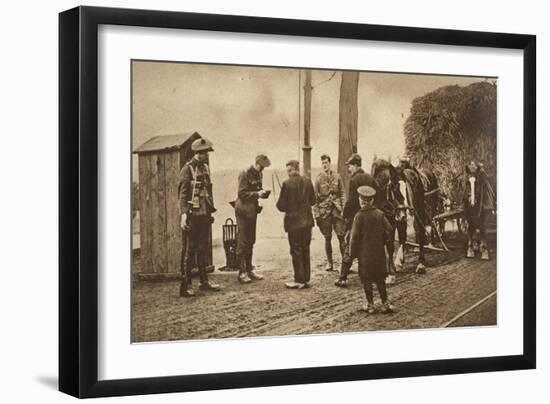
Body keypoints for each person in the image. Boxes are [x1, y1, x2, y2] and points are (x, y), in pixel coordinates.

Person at [178, 137, 221, 297]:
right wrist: (183, 215)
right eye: (204, 153)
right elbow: (182, 195)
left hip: (204, 214)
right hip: (191, 215)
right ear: (198, 153)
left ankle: (204, 282)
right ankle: (186, 285)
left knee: (203, 249)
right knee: (189, 250)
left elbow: (209, 191)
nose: (206, 155)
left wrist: (210, 211)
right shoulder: (187, 169)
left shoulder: (205, 168)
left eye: (207, 153)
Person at [335, 153, 381, 288]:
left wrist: (344, 214)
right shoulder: (371, 179)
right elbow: (378, 198)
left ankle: (342, 278)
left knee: (350, 246)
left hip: (356, 220)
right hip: (370, 219)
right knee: (368, 248)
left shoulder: (354, 180)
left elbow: (351, 201)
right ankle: (370, 278)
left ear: (355, 166)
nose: (348, 169)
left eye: (349, 166)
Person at [349, 186, 394, 314]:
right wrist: (383, 241)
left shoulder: (358, 216)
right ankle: (385, 303)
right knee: (380, 279)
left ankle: (370, 305)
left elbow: (354, 238)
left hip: (365, 255)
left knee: (367, 279)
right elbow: (390, 230)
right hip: (379, 253)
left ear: (361, 200)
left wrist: (352, 254)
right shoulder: (380, 214)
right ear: (372, 200)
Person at [276, 160, 316, 289]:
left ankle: (299, 280)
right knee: (305, 249)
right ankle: (306, 279)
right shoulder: (308, 181)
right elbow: (313, 201)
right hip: (307, 222)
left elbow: (281, 206)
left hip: (294, 224)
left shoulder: (286, 184)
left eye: (288, 170)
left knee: (296, 251)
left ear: (290, 170)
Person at [234, 154, 272, 283]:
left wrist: (262, 193)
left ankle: (249, 269)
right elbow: (241, 193)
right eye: (261, 166)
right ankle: (242, 272)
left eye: (264, 167)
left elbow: (257, 189)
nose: (262, 169)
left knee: (251, 240)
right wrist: (257, 194)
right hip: (243, 211)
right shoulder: (244, 173)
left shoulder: (259, 174)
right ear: (256, 163)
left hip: (252, 211)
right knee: (242, 240)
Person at [313, 154, 346, 272]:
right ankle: (330, 262)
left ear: (330, 163)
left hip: (337, 210)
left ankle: (345, 262)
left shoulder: (337, 176)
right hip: (324, 212)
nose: (324, 165)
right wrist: (317, 215)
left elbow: (342, 193)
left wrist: (343, 208)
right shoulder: (318, 179)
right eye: (323, 163)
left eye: (326, 162)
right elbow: (314, 199)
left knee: (341, 236)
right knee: (327, 237)